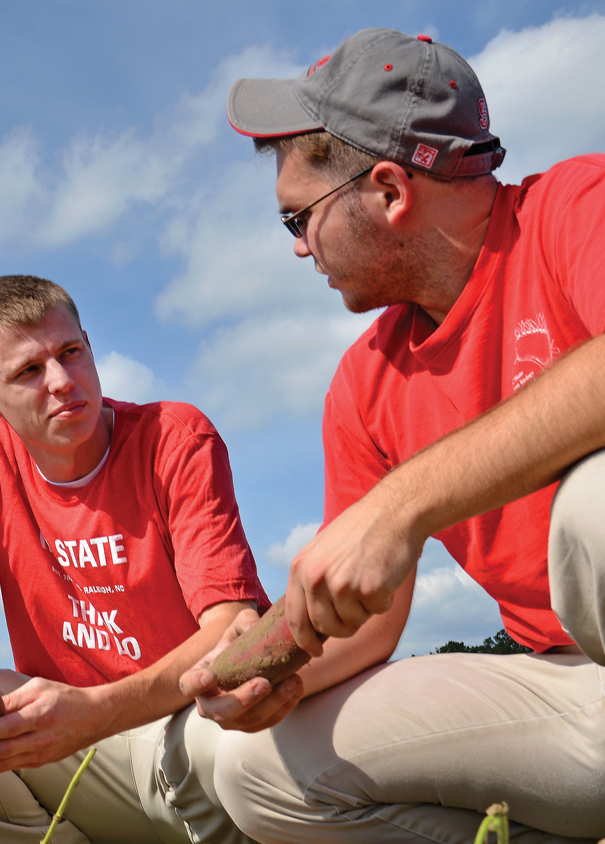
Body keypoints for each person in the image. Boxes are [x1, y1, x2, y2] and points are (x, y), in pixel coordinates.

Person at [177, 28, 605, 842]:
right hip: (575, 697)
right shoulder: (365, 384)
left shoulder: (578, 206)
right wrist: (278, 666)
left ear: (388, 190)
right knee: (252, 770)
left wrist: (401, 504)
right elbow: (370, 618)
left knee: (597, 503)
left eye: (298, 219)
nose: (300, 247)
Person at [0, 275, 269, 844]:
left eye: (72, 353)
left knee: (223, 738)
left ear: (90, 346)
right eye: (28, 371)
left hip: (185, 732)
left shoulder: (174, 437)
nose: (62, 382)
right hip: (77, 749)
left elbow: (231, 629)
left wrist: (96, 709)